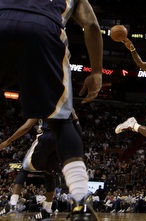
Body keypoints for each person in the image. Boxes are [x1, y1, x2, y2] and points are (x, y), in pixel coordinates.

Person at [0, 1, 103, 220]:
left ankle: (17, 204)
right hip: (43, 29)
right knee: (61, 121)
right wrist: (96, 72)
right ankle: (80, 205)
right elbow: (92, 26)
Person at [0, 111, 82, 220]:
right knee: (49, 173)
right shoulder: (67, 106)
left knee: (24, 168)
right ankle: (47, 210)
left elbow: (27, 126)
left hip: (47, 137)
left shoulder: (44, 101)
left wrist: (8, 141)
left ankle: (12, 203)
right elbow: (78, 130)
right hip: (63, 142)